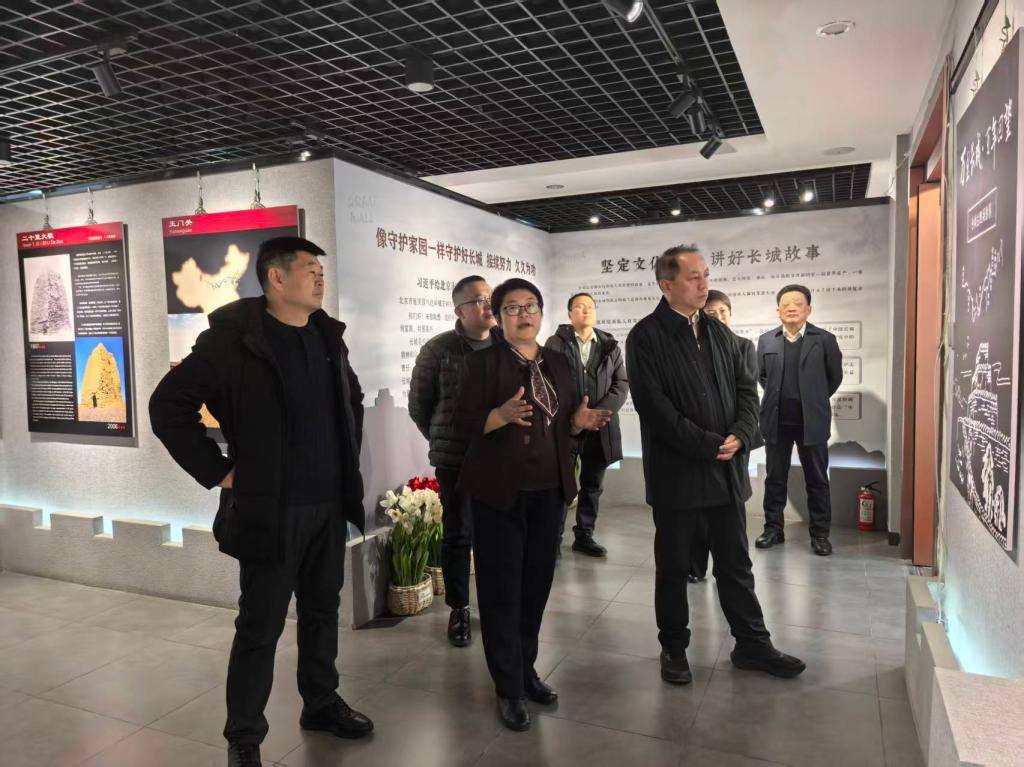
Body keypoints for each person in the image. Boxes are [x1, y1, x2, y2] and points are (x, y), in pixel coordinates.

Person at [149, 237, 373, 767]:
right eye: (310, 269)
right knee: (260, 625)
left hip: (327, 504)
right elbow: (168, 406)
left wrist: (343, 465)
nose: (320, 278)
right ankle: (244, 737)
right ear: (276, 277)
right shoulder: (234, 341)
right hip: (271, 509)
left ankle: (320, 702)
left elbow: (352, 399)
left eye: (321, 270)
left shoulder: (326, 336)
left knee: (322, 612)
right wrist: (220, 472)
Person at [626, 244, 805, 686]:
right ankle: (674, 647)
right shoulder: (645, 336)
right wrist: (707, 444)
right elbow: (654, 407)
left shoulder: (720, 334)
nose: (704, 283)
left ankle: (752, 644)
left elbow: (747, 392)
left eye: (706, 274)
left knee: (736, 564)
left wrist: (741, 433)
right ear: (666, 285)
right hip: (678, 476)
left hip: (725, 474)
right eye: (693, 277)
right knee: (674, 567)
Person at [454, 278, 611, 731]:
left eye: (531, 306)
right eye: (512, 308)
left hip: (549, 492)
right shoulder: (482, 363)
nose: (523, 315)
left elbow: (565, 422)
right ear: (498, 317)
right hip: (499, 495)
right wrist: (498, 416)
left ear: (541, 314)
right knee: (502, 591)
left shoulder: (559, 362)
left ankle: (526, 670)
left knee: (535, 588)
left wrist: (578, 423)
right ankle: (507, 687)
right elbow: (461, 423)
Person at [408, 275, 501, 647]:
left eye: (490, 297)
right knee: (459, 534)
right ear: (459, 310)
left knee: (497, 534)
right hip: (456, 458)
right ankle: (459, 608)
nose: (488, 305)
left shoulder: (506, 345)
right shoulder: (438, 349)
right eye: (479, 299)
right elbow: (420, 406)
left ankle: (495, 605)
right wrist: (444, 438)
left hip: (501, 456)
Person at [755, 284, 844, 556]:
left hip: (811, 421)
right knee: (775, 478)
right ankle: (773, 529)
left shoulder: (824, 339)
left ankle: (820, 534)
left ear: (809, 309)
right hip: (777, 421)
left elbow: (834, 377)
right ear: (778, 311)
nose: (791, 308)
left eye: (797, 303)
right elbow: (762, 376)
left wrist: (812, 398)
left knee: (817, 479)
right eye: (785, 304)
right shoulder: (767, 340)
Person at [544, 292, 629, 558]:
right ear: (569, 314)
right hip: (566, 427)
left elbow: (621, 384)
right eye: (579, 307)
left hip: (600, 427)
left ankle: (584, 536)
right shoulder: (555, 344)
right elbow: (546, 383)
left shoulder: (610, 345)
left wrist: (596, 414)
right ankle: (553, 541)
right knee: (561, 485)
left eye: (590, 306)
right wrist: (574, 418)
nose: (586, 311)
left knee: (593, 485)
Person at [688, 289, 761, 583]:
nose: (718, 317)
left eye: (723, 312)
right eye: (711, 312)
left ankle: (728, 568)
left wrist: (739, 434)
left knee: (732, 510)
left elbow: (749, 394)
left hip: (734, 440)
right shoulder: (693, 349)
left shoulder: (742, 346)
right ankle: (695, 566)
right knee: (698, 508)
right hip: (702, 441)